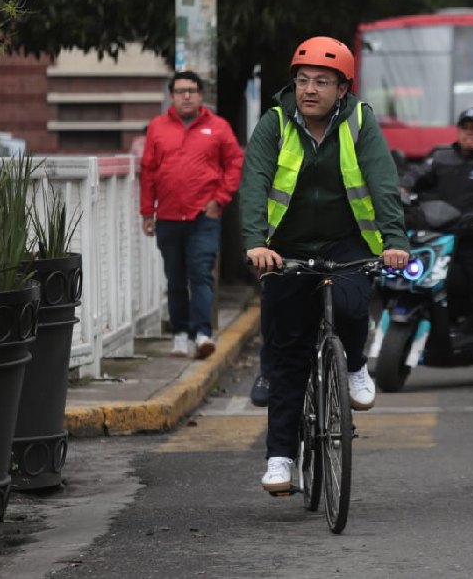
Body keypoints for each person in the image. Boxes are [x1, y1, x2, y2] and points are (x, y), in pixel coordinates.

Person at [239, 36, 410, 493]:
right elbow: (254, 184)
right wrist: (257, 243)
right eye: (302, 80)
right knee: (287, 356)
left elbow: (382, 179)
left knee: (354, 307)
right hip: (286, 248)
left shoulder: (360, 121)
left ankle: (354, 364)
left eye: (321, 81)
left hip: (347, 241)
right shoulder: (273, 125)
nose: (310, 89)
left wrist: (394, 239)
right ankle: (280, 458)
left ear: (342, 88)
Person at [402, 107, 473, 389]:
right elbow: (416, 174)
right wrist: (402, 189)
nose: (469, 132)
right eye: (464, 127)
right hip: (441, 237)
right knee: (414, 283)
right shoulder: (441, 157)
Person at [140, 70, 244, 359]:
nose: (186, 96)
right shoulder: (157, 128)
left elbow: (235, 162)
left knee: (200, 274)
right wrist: (147, 212)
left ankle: (202, 334)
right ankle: (180, 334)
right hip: (169, 217)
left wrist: (219, 199)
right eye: (180, 91)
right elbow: (147, 171)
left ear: (201, 96)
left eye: (192, 91)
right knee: (174, 279)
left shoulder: (219, 128)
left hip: (203, 217)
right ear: (172, 96)